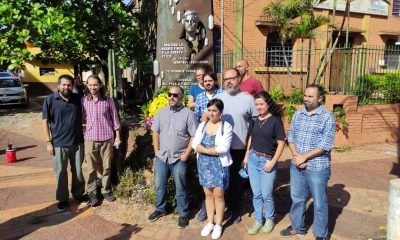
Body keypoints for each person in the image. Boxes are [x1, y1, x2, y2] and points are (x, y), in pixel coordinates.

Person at [280, 84, 336, 240]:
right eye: (305, 95)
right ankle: (298, 227)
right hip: (297, 164)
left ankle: (320, 234)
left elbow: (325, 145)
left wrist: (304, 157)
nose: (306, 99)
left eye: (310, 96)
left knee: (319, 202)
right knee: (297, 198)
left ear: (319, 98)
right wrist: (297, 156)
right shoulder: (298, 114)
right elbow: (290, 137)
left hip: (317, 167)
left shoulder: (327, 117)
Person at [148, 86, 198, 229]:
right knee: (159, 185)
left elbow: (194, 136)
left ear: (182, 97)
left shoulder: (189, 114)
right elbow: (155, 132)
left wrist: (187, 154)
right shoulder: (161, 112)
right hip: (162, 157)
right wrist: (156, 151)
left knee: (180, 186)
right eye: (169, 94)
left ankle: (183, 214)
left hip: (179, 157)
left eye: (175, 95)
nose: (171, 97)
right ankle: (160, 209)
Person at [214, 68, 257, 224]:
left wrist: (249, 148)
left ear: (239, 79)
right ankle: (219, 208)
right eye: (226, 79)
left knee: (235, 182)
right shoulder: (218, 97)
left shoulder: (248, 99)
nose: (229, 81)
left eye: (232, 78)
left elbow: (255, 124)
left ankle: (235, 210)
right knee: (220, 180)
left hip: (239, 148)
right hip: (219, 149)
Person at [243, 91, 285, 235]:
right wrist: (246, 156)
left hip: (268, 160)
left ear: (268, 104)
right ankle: (258, 220)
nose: (259, 107)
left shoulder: (275, 121)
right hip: (253, 159)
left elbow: (281, 144)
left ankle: (269, 220)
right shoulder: (254, 120)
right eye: (256, 104)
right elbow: (251, 139)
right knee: (256, 193)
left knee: (266, 194)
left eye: (261, 104)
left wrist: (273, 162)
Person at [42, 74, 86, 212]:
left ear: (72, 86)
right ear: (58, 85)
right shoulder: (50, 100)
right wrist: (48, 142)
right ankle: (62, 199)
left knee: (78, 171)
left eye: (69, 85)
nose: (66, 87)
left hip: (77, 142)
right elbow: (45, 121)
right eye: (64, 84)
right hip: (59, 144)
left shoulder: (77, 99)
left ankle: (78, 194)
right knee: (60, 172)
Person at [192, 99, 233, 239]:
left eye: (214, 110)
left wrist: (204, 150)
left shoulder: (225, 126)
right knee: (208, 195)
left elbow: (223, 148)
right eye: (209, 110)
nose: (211, 113)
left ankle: (218, 224)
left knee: (219, 196)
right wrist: (210, 150)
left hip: (219, 166)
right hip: (203, 165)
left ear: (220, 112)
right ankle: (210, 222)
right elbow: (194, 144)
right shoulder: (202, 125)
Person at [81, 75, 121, 207]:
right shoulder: (84, 101)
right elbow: (82, 119)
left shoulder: (108, 101)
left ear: (100, 85)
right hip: (90, 138)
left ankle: (106, 190)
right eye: (90, 85)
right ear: (87, 86)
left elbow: (115, 119)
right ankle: (92, 193)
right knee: (91, 168)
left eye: (95, 85)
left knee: (107, 167)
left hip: (106, 138)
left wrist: (118, 136)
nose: (93, 87)